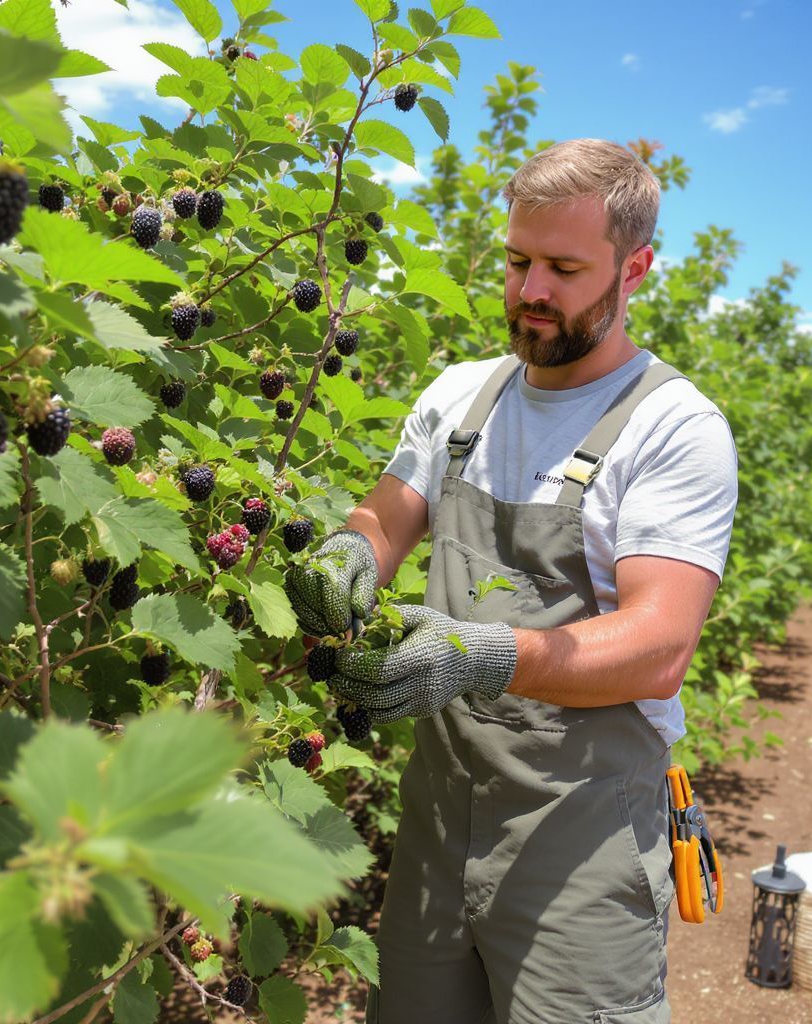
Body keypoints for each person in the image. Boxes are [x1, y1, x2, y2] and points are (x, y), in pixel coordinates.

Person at [284, 138, 738, 1023]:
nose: (532, 290)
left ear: (635, 268)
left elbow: (659, 646)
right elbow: (384, 518)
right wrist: (348, 557)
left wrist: (480, 653)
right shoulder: (459, 397)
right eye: (519, 260)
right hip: (436, 824)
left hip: (583, 839)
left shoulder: (674, 429)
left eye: (565, 268)